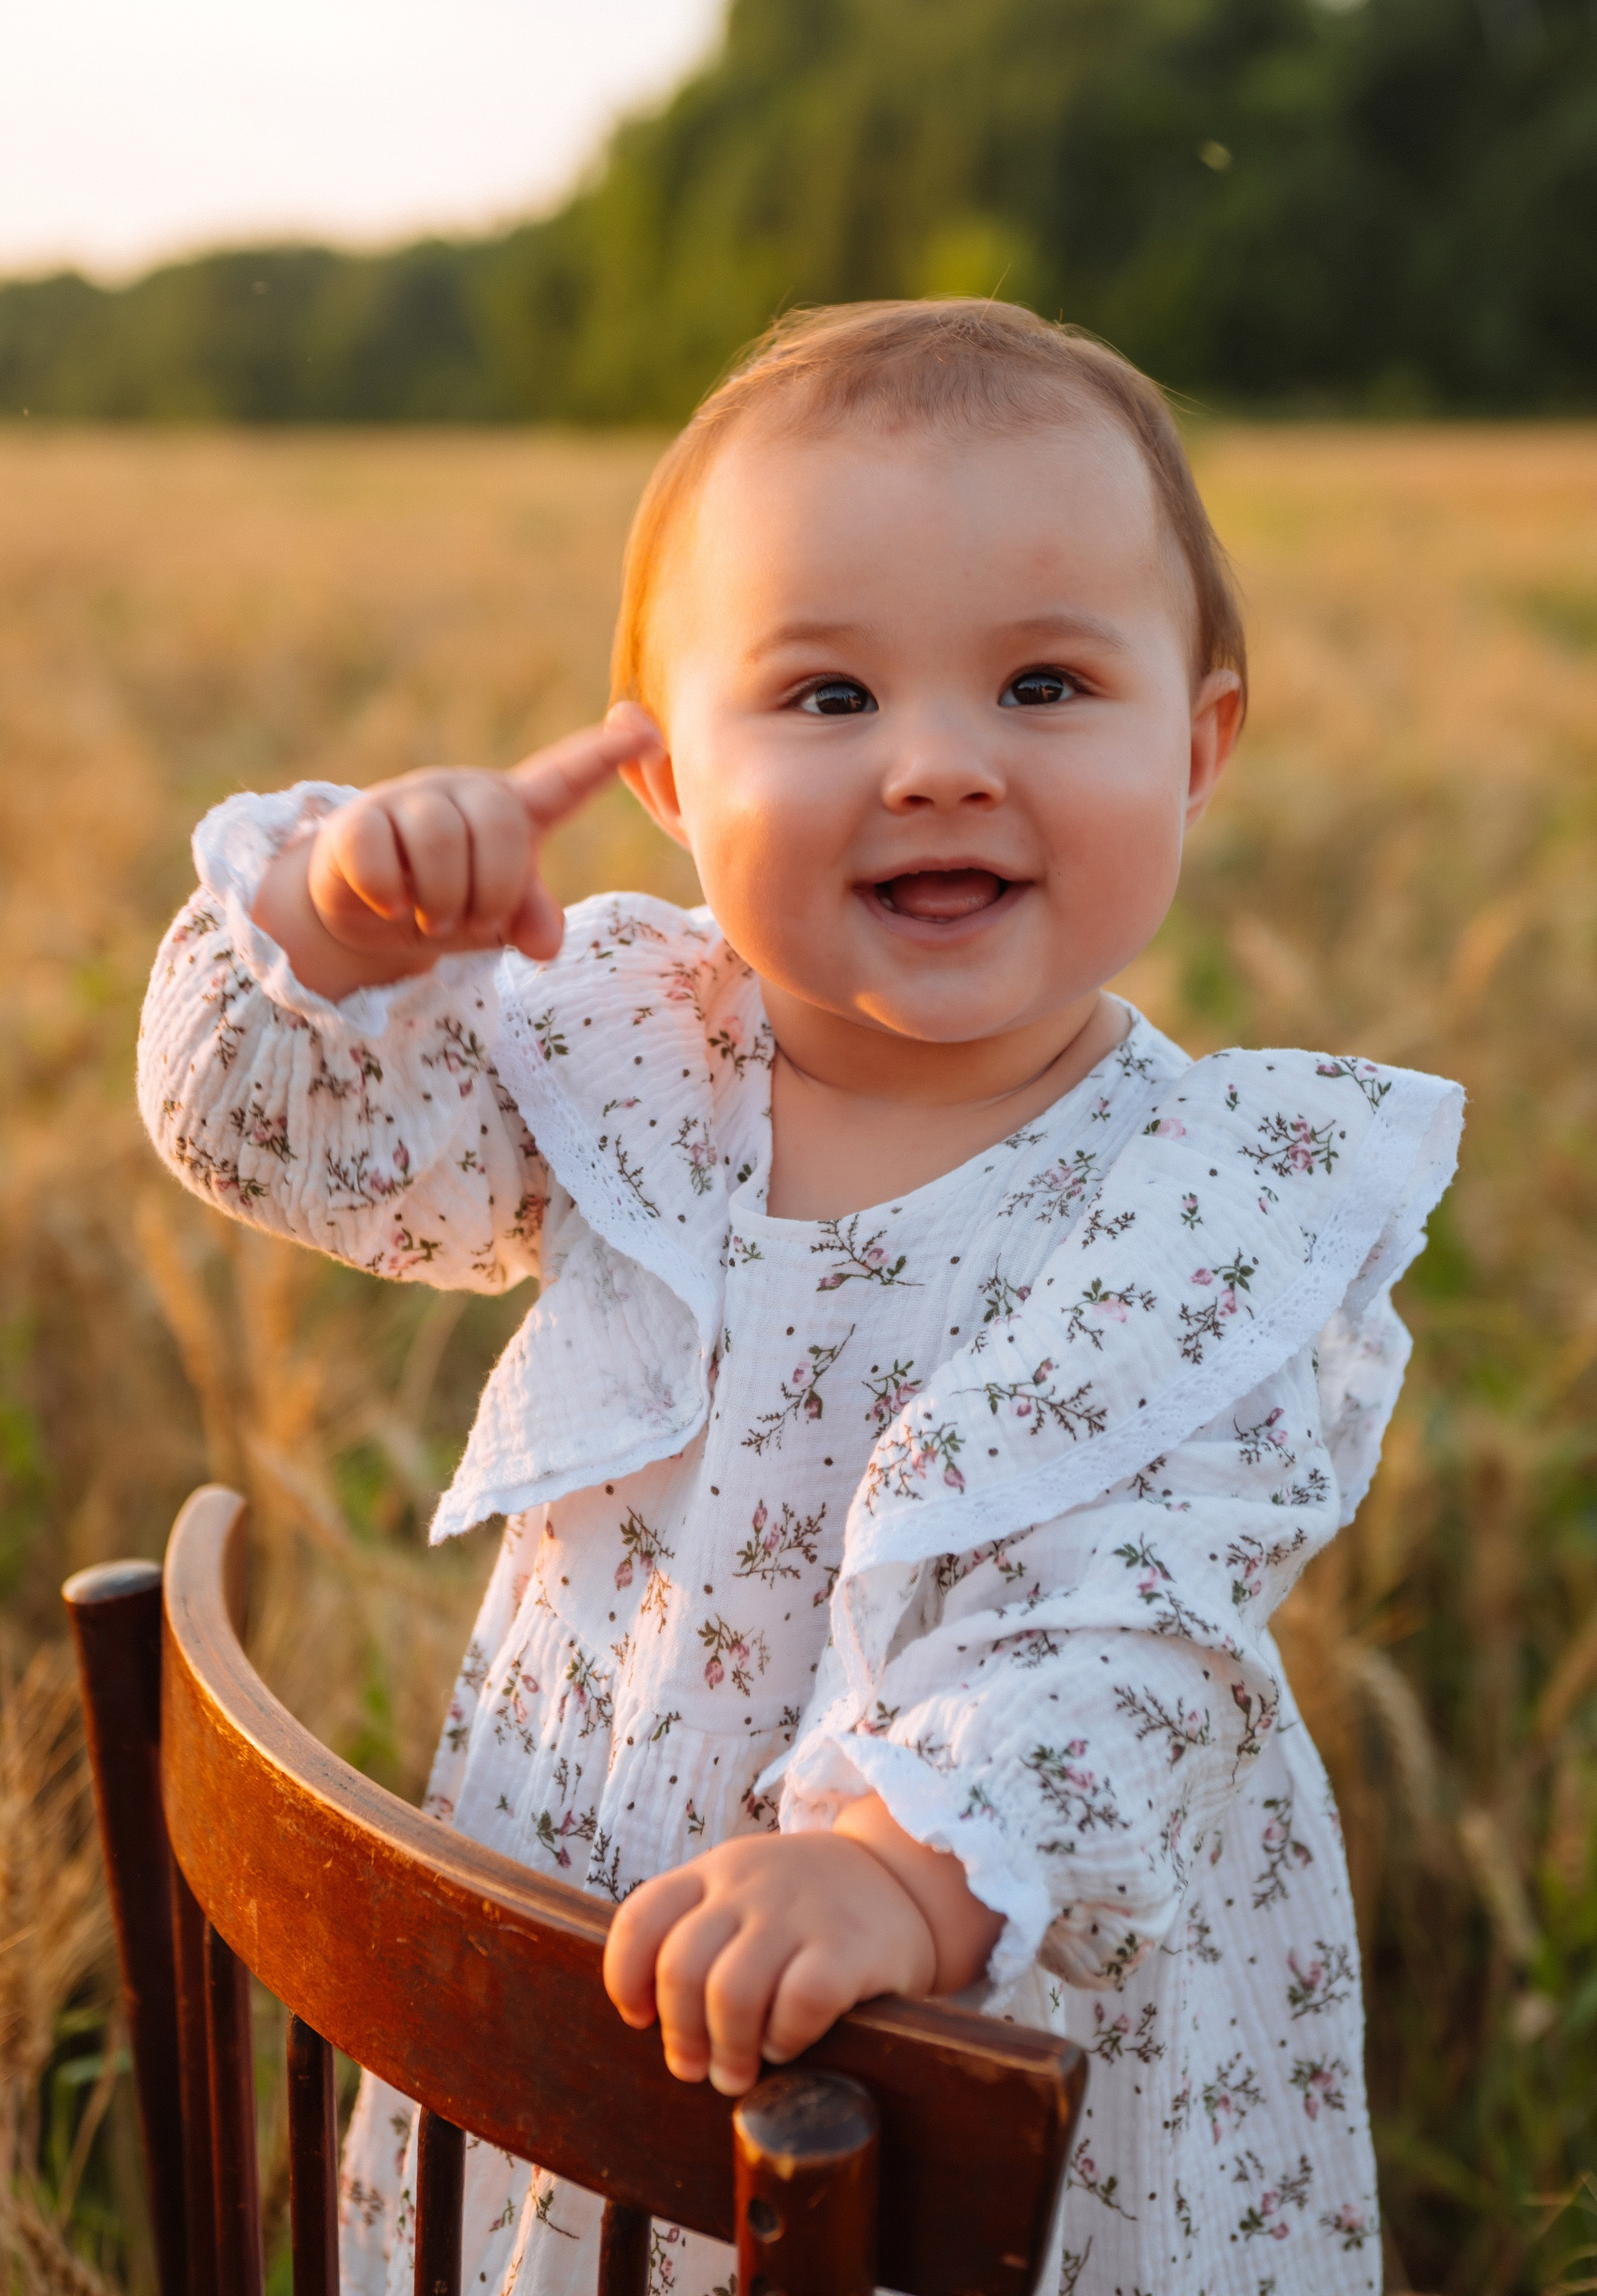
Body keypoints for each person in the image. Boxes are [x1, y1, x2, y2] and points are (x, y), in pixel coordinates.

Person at [137, 299, 1461, 2296]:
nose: (935, 765)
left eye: (1041, 682)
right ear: (668, 780)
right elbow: (259, 1129)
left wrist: (905, 1874)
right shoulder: (628, 1041)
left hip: (987, 1966)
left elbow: (1132, 1649)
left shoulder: (1221, 1215)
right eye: (827, 699)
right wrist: (340, 925)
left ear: (1198, 747)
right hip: (602, 1876)